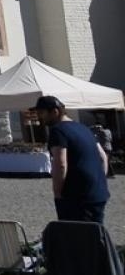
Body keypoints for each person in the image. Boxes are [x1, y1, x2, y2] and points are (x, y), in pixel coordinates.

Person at [37, 95, 109, 223]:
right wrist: (98, 181)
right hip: (98, 193)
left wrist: (58, 193)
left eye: (42, 113)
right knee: (96, 235)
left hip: (77, 197)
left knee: (78, 237)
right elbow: (102, 156)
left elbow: (61, 164)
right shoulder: (84, 128)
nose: (40, 117)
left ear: (55, 112)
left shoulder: (58, 131)